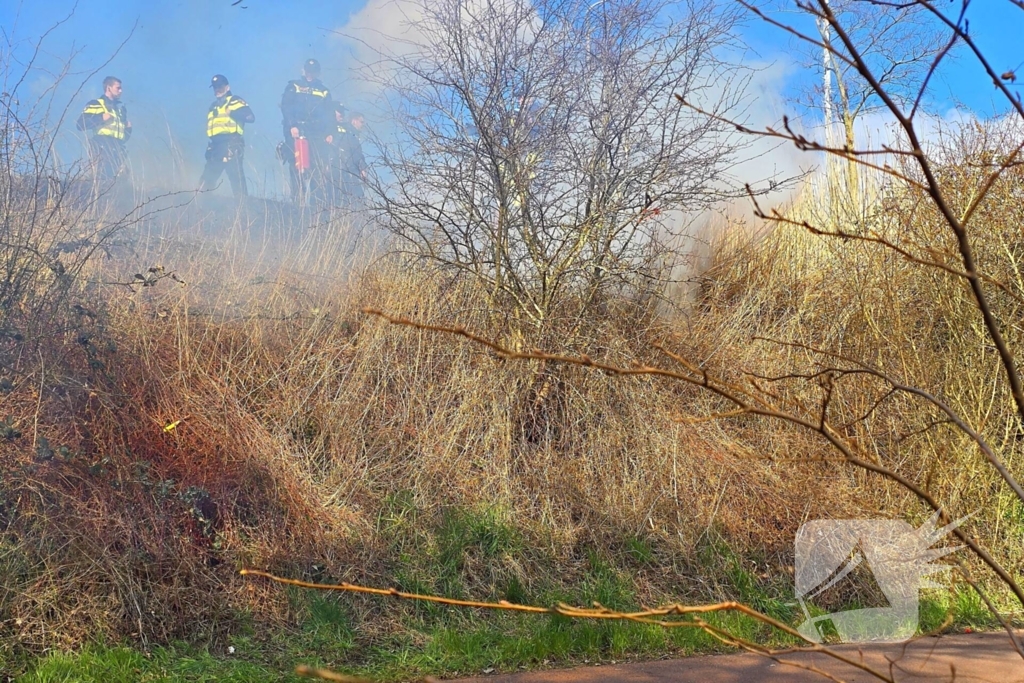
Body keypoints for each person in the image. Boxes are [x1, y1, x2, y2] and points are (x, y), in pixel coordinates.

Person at [280, 58, 335, 205]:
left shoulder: (324, 91)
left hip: (316, 133)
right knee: (296, 166)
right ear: (304, 71)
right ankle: (298, 200)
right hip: (297, 130)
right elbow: (286, 107)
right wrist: (292, 126)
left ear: (318, 73)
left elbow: (329, 113)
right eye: (308, 71)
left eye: (314, 71)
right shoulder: (294, 86)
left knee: (316, 166)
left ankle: (316, 204)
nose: (311, 74)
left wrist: (330, 132)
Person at [198, 74, 255, 199]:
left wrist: (233, 113)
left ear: (227, 87)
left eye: (220, 87)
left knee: (236, 179)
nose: (217, 90)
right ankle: (204, 207)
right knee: (207, 179)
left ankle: (243, 209)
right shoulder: (213, 106)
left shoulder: (234, 101)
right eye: (215, 87)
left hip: (231, 144)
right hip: (215, 147)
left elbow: (250, 117)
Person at [76, 76, 132, 192]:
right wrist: (101, 118)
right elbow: (80, 124)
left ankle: (113, 205)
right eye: (118, 88)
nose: (121, 91)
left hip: (118, 149)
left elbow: (123, 137)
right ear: (108, 88)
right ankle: (97, 200)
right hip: (102, 147)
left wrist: (128, 129)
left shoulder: (120, 110)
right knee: (102, 179)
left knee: (118, 181)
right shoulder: (96, 104)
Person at [333, 109, 367, 208]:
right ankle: (360, 215)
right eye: (361, 122)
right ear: (354, 121)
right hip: (348, 168)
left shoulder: (351, 132)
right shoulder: (350, 132)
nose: (362, 124)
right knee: (357, 195)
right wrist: (362, 168)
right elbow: (356, 153)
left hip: (345, 168)